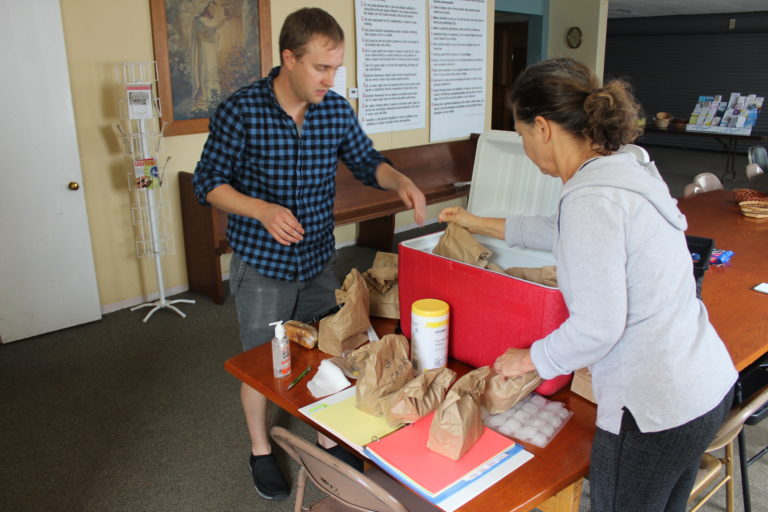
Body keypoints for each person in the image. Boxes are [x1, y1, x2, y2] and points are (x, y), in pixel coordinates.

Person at [439, 57, 736, 512]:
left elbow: (598, 327)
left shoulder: (591, 201)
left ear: (542, 127)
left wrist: (530, 358)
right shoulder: (623, 170)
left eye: (521, 136)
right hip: (701, 387)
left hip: (652, 407)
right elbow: (555, 230)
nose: (524, 148)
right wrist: (474, 221)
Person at [193, 7, 425, 502]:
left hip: (319, 260)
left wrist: (399, 179)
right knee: (262, 363)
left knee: (325, 354)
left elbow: (367, 161)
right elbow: (207, 182)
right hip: (263, 266)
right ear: (289, 58)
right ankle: (259, 450)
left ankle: (326, 438)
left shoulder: (334, 110)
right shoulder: (242, 110)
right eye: (322, 67)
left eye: (336, 68)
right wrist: (260, 209)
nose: (330, 78)